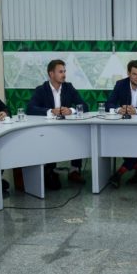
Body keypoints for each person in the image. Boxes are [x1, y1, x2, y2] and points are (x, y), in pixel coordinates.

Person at [26, 59, 85, 188]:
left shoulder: (68, 87)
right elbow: (30, 109)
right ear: (51, 74)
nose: (64, 75)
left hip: (68, 129)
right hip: (49, 129)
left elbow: (84, 105)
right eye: (60, 72)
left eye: (64, 71)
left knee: (78, 136)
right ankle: (50, 170)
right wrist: (50, 111)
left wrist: (71, 110)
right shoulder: (42, 89)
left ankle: (74, 170)